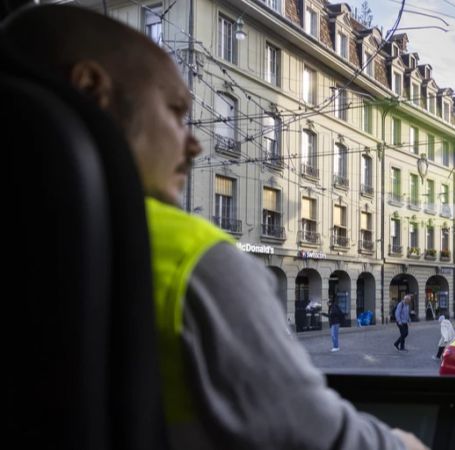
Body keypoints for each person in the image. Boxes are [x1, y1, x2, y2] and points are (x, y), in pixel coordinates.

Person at [0, 5, 426, 449]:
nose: (195, 141)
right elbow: (314, 436)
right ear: (91, 89)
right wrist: (402, 442)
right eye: (175, 111)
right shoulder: (187, 253)